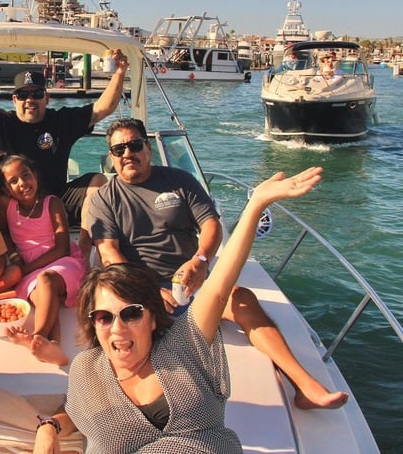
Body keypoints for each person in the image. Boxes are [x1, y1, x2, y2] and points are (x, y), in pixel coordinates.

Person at [34, 166, 329, 454]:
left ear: (151, 318)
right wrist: (48, 427)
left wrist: (254, 207)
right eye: (104, 317)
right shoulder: (89, 369)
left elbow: (218, 288)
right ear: (92, 323)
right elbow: (76, 409)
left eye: (131, 313)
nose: (117, 328)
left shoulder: (183, 347)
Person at [89, 118, 349, 410]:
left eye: (134, 145)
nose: (127, 153)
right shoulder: (104, 199)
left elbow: (210, 225)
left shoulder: (181, 181)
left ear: (148, 148)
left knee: (242, 298)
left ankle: (305, 386)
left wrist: (200, 260)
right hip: (140, 289)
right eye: (118, 149)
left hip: (192, 281)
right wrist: (145, 291)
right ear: (111, 157)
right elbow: (109, 253)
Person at [0, 49, 129, 256]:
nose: (29, 100)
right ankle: (6, 253)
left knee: (98, 181)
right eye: (23, 95)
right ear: (15, 99)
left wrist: (119, 73)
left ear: (47, 98)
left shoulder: (61, 121)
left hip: (56, 201)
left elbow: (103, 108)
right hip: (14, 207)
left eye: (36, 94)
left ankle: (84, 252)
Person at [0, 154, 87, 366]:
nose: (22, 183)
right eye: (13, 181)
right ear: (6, 189)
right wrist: (15, 257)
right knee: (45, 299)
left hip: (64, 262)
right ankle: (54, 347)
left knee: (46, 280)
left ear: (35, 175)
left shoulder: (52, 203)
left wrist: (24, 270)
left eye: (26, 175)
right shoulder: (4, 205)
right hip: (30, 270)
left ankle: (38, 337)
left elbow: (62, 248)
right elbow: (3, 233)